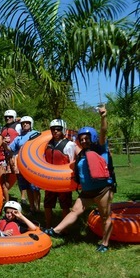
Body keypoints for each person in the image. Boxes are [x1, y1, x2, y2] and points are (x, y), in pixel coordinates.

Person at [44, 106, 114, 252]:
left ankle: (105, 243)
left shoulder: (99, 148)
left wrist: (103, 117)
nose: (83, 141)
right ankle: (55, 231)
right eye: (81, 139)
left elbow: (103, 131)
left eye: (86, 139)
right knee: (74, 211)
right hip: (87, 192)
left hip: (102, 190)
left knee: (105, 216)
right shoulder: (81, 154)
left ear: (92, 138)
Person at [4, 116, 41, 214]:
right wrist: (4, 144)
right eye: (23, 123)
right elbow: (10, 149)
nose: (25, 124)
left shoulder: (36, 134)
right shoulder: (18, 138)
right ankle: (32, 207)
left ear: (31, 124)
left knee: (35, 188)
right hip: (22, 165)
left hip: (33, 165)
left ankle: (37, 207)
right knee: (28, 187)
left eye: (27, 123)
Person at [43, 119, 76, 227]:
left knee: (65, 205)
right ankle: (48, 225)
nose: (55, 131)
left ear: (63, 130)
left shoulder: (70, 145)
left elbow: (72, 162)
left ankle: (65, 229)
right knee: (47, 204)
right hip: (50, 179)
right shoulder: (48, 144)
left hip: (63, 180)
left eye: (58, 129)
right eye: (53, 129)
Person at [0, 109, 21, 197]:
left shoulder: (18, 126)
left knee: (20, 176)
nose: (8, 118)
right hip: (6, 154)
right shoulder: (4, 128)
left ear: (14, 117)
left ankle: (23, 196)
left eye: (10, 117)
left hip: (16, 153)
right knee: (7, 176)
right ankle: (3, 194)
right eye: (6, 117)